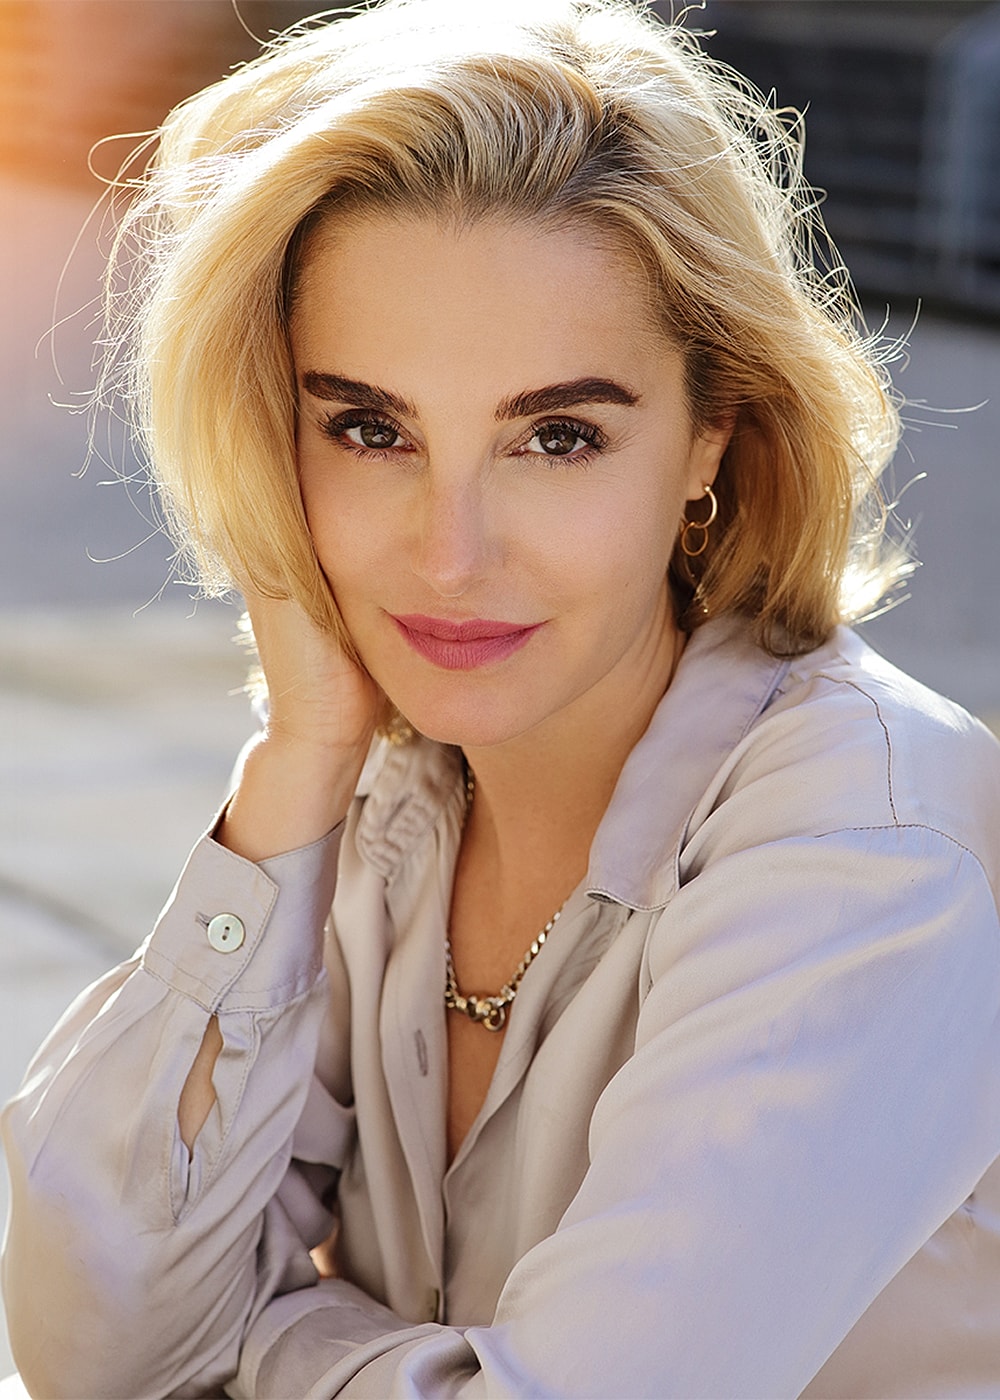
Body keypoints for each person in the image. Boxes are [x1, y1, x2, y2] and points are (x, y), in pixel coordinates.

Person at [2, 0, 999, 1394]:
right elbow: (92, 1347)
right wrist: (296, 765)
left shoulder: (865, 851)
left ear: (713, 434)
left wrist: (263, 1342)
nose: (450, 553)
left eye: (557, 437)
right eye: (369, 428)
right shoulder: (387, 807)